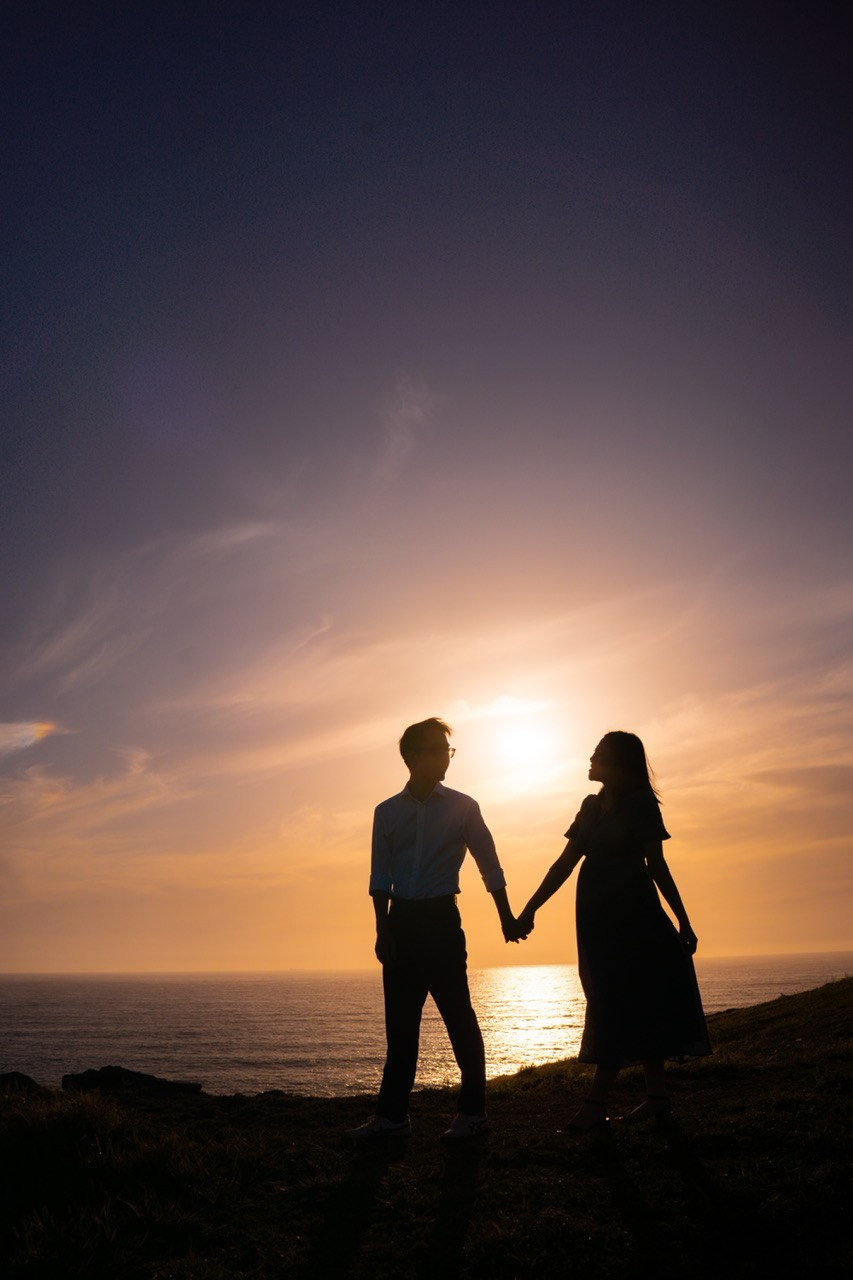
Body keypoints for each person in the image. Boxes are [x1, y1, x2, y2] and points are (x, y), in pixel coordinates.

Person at [517, 731, 711, 1129]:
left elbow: (657, 866)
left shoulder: (640, 803)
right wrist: (530, 908)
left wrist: (684, 920)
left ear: (619, 762)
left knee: (618, 1003)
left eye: (599, 754)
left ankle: (594, 1104)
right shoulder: (591, 806)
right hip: (596, 919)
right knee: (627, 1000)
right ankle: (656, 1097)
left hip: (634, 917)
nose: (590, 758)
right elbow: (564, 862)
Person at [345, 717, 522, 1142]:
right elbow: (379, 875)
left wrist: (506, 917)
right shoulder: (386, 812)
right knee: (400, 1027)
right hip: (402, 923)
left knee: (459, 1018)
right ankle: (392, 1119)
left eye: (448, 750)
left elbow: (488, 862)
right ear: (411, 757)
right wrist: (382, 929)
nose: (446, 757)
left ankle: (473, 1113)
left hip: (442, 921)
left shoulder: (463, 806)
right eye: (438, 749)